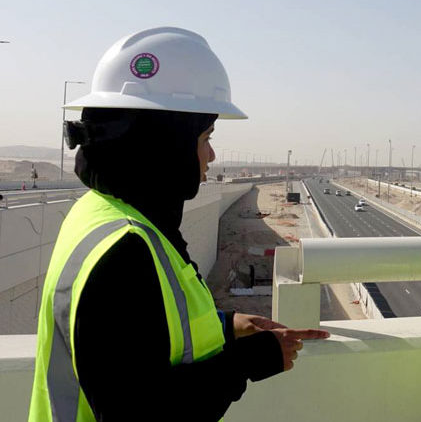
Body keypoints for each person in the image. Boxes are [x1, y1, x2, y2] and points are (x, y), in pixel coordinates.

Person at [29, 27, 329, 421]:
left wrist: (225, 326)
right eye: (205, 137)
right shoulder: (124, 251)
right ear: (164, 146)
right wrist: (247, 360)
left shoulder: (102, 213)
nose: (212, 155)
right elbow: (140, 412)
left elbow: (142, 333)